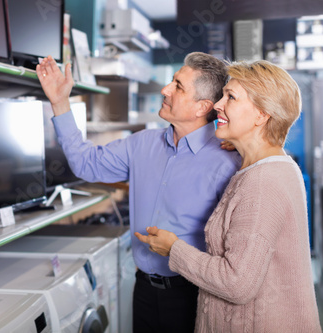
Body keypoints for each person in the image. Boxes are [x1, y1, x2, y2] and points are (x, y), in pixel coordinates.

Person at [37, 53, 241, 332]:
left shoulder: (227, 161)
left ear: (202, 107)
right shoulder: (142, 144)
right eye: (171, 81)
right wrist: (60, 103)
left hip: (195, 296)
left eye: (178, 86)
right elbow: (87, 164)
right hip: (144, 289)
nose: (165, 90)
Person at [135, 60, 322, 332]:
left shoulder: (262, 182)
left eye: (230, 97)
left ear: (261, 115)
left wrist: (173, 248)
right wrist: (238, 142)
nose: (217, 105)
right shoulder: (268, 166)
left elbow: (236, 284)